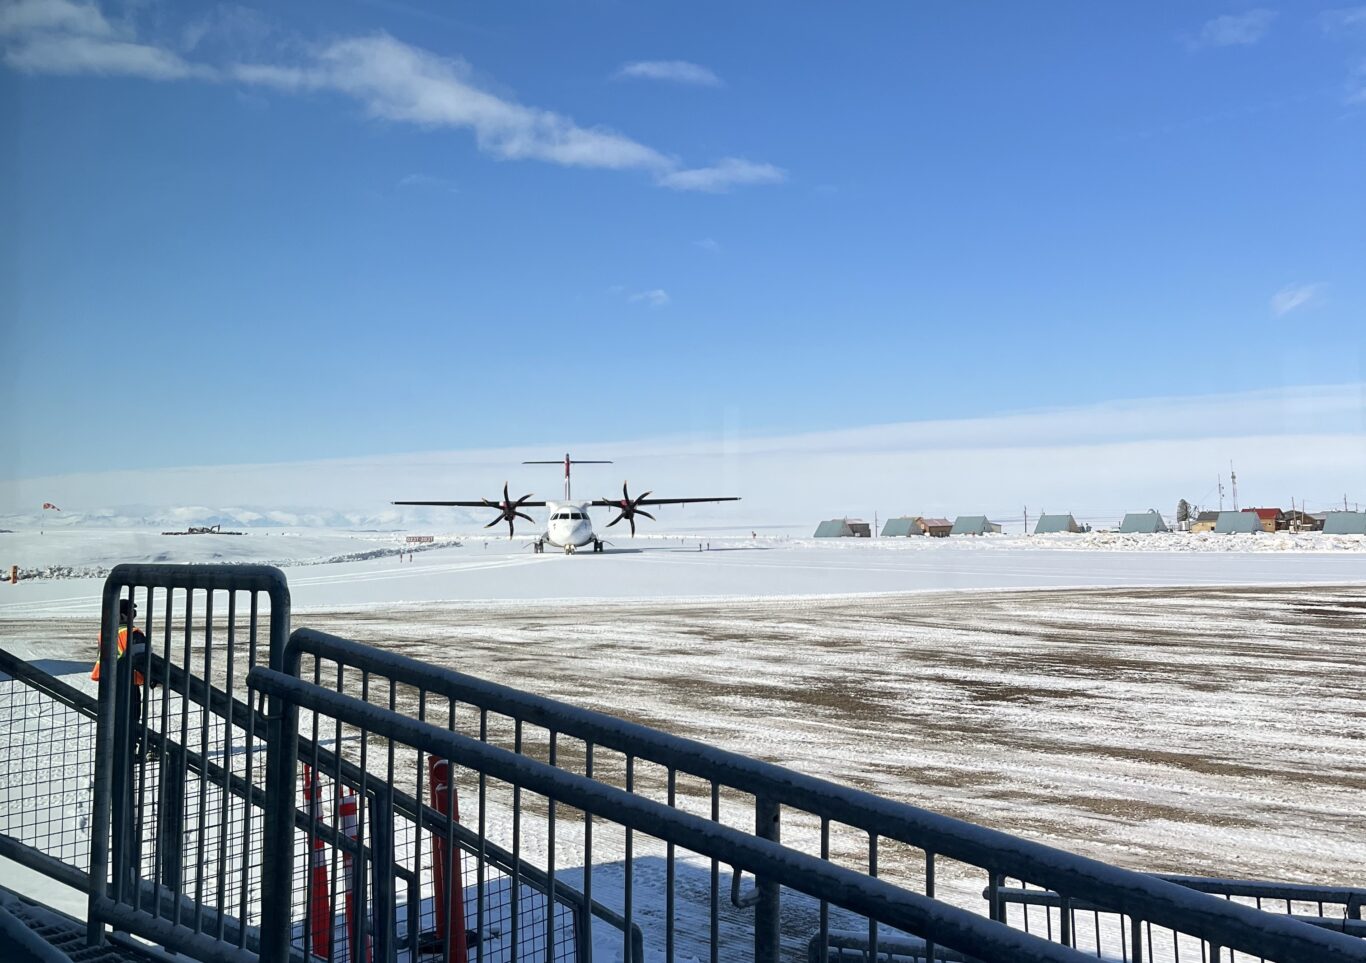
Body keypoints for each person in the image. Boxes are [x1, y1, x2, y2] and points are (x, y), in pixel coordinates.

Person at [91, 598, 151, 755]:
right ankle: (128, 752)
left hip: (108, 682)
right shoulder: (133, 633)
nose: (134, 615)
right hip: (128, 683)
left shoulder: (104, 632)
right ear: (123, 616)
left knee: (113, 718)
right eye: (132, 612)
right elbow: (144, 660)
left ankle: (113, 751)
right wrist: (152, 678)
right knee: (131, 718)